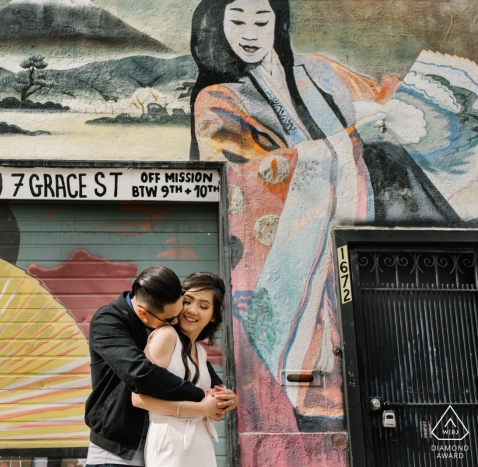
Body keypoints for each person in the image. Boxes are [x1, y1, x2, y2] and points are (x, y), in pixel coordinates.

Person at [189, 0, 460, 426]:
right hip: (296, 251)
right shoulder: (218, 99)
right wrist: (352, 140)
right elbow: (244, 175)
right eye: (237, 20)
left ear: (279, 22)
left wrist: (414, 106)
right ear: (215, 26)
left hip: (362, 233)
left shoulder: (319, 72)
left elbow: (382, 99)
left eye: (262, 19)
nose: (250, 31)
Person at [84, 266, 237, 467]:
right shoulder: (110, 322)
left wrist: (224, 395)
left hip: (156, 446)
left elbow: (196, 371)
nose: (175, 321)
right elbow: (140, 374)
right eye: (187, 302)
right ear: (144, 313)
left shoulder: (182, 340)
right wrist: (201, 399)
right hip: (116, 449)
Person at [131, 272, 234, 467]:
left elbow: (207, 397)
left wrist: (227, 399)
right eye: (187, 301)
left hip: (200, 442)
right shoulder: (165, 335)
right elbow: (138, 398)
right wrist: (201, 408)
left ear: (213, 316)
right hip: (170, 441)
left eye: (203, 306)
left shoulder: (200, 352)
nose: (193, 310)